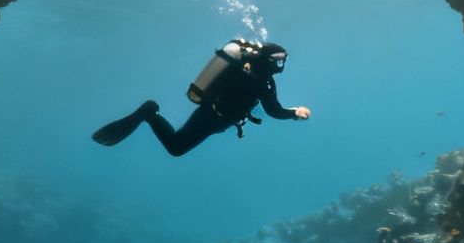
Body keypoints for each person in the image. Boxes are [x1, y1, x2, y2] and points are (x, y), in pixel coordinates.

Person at [91, 40, 311, 156]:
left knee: (177, 145)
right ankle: (149, 113)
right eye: (280, 61)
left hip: (209, 113)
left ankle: (150, 114)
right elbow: (273, 110)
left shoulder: (245, 69)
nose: (282, 66)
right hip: (213, 119)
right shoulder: (262, 81)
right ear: (271, 61)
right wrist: (295, 113)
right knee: (176, 147)